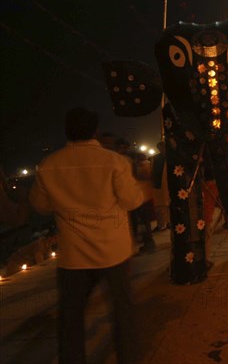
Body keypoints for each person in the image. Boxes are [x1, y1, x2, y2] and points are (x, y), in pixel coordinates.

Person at [29, 107, 144, 364]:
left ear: (67, 131)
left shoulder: (48, 166)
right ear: (95, 130)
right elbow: (131, 201)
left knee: (71, 318)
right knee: (123, 312)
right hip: (113, 251)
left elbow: (40, 205)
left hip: (73, 255)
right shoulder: (115, 162)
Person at [133, 152, 156, 253]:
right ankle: (148, 241)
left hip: (142, 197)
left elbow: (143, 177)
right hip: (146, 196)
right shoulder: (148, 165)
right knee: (145, 221)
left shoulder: (142, 166)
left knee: (144, 221)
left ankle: (149, 243)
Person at [151, 141, 170, 232]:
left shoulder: (171, 157)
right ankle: (162, 224)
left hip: (168, 184)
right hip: (159, 185)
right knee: (161, 206)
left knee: (167, 205)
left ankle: (167, 223)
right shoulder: (155, 158)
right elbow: (152, 170)